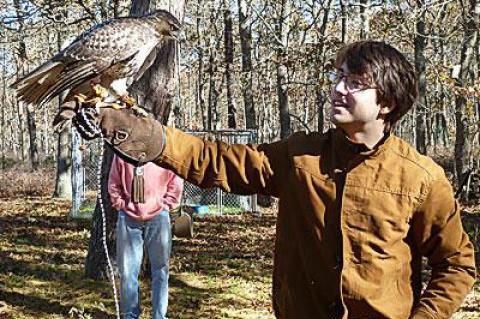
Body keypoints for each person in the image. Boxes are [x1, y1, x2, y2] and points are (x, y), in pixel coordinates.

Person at [70, 40, 475, 319]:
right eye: (338, 76)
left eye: (354, 83)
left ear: (386, 102)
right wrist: (135, 130)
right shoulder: (299, 156)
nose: (337, 89)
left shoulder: (421, 178)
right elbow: (217, 160)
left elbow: (456, 264)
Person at [108, 154, 183, 319]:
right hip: (128, 218)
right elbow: (114, 182)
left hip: (158, 216)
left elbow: (176, 180)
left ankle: (159, 316)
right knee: (128, 272)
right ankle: (130, 315)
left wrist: (167, 204)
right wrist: (121, 204)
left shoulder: (162, 150)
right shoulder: (122, 151)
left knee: (161, 270)